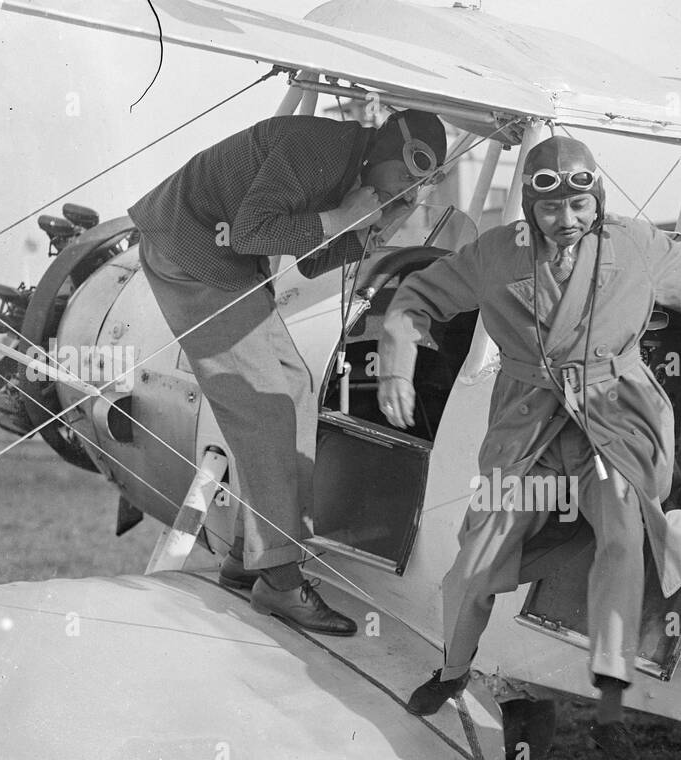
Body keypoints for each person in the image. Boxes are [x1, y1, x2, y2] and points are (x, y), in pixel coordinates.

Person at [377, 135, 681, 760]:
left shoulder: (638, 246)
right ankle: (454, 671)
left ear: (596, 199)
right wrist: (397, 367)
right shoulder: (494, 254)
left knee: (625, 539)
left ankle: (609, 707)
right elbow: (416, 298)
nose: (565, 222)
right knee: (480, 549)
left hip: (615, 423)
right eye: (550, 211)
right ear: (528, 206)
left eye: (579, 206)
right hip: (530, 431)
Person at [129, 109, 447, 634]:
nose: (411, 190)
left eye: (422, 186)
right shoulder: (317, 148)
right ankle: (279, 581)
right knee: (264, 406)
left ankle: (249, 550)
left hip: (227, 260)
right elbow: (253, 233)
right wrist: (342, 218)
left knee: (296, 389)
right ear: (387, 149)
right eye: (408, 177)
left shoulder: (356, 172)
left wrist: (376, 219)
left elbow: (311, 262)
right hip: (191, 253)